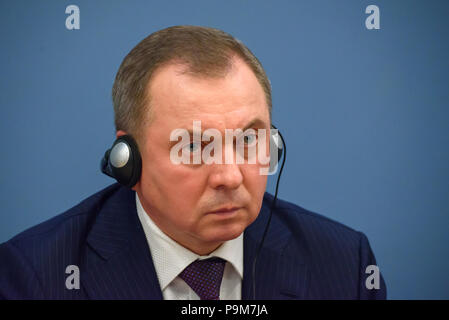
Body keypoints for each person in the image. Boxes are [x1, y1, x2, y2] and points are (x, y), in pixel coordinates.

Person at [0, 25, 386, 300]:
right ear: (127, 163)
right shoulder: (37, 275)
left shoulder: (343, 265)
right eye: (196, 147)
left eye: (248, 140)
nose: (231, 176)